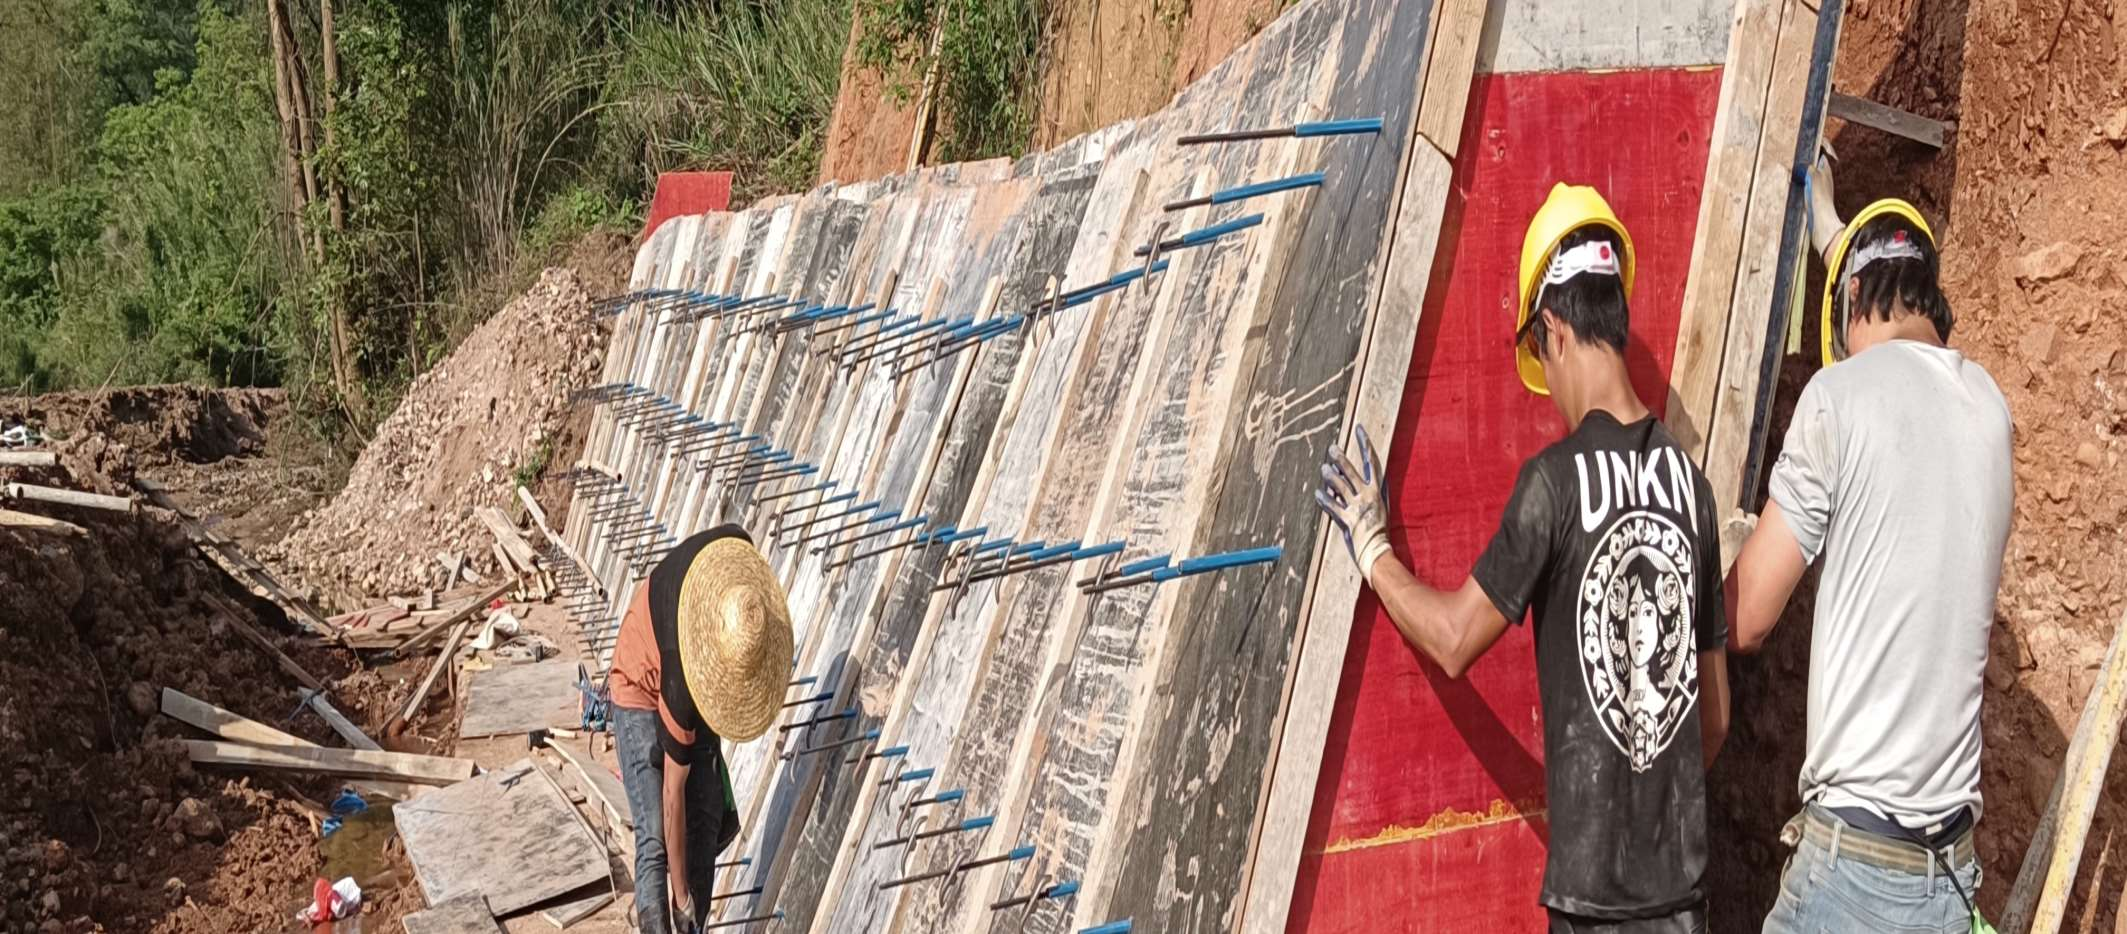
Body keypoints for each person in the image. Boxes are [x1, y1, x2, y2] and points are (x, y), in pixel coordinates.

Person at [1316, 183, 1730, 933]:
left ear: (1554, 329)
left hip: (1594, 914)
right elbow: (1715, 718)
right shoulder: (1691, 489)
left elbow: (1453, 640)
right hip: (1684, 906)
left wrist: (1372, 548)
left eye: (1539, 352)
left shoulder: (1555, 485)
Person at [1728, 171, 2011, 933]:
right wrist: (1824, 216)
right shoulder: (1989, 410)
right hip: (1946, 880)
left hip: (1851, 877)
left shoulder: (1837, 396)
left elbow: (1746, 620)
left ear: (1851, 299)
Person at [608, 524, 793, 933]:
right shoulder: (680, 686)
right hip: (639, 685)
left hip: (686, 654)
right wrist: (682, 898)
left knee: (707, 811)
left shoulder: (736, 556)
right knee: (654, 837)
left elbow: (693, 805)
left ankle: (696, 927)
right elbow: (672, 796)